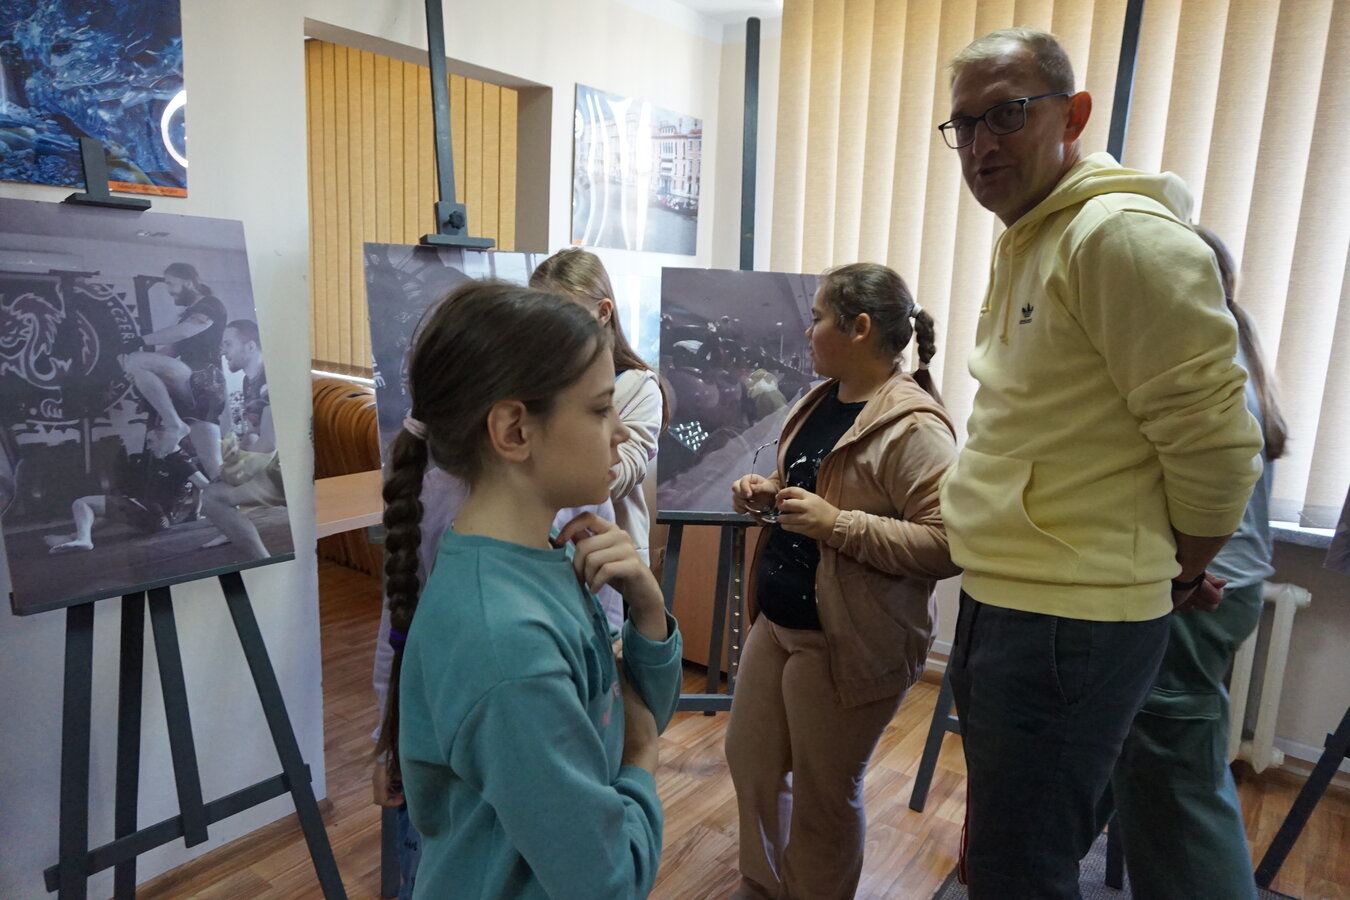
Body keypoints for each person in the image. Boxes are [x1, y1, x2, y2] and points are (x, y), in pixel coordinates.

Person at [936, 27, 1264, 897]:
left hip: (1064, 622)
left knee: (1020, 868)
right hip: (1015, 598)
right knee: (1009, 852)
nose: (981, 144)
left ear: (1073, 115)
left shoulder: (1117, 236)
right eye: (964, 125)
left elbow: (1219, 447)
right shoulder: (1031, 236)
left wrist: (1179, 568)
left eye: (1007, 114)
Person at [375, 280, 683, 899]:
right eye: (600, 409)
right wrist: (643, 754)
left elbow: (619, 708)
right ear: (515, 430)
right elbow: (610, 882)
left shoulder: (549, 553)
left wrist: (649, 610)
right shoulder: (505, 642)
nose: (621, 433)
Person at [725, 263, 960, 899]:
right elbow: (815, 482)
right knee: (751, 763)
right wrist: (770, 490)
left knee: (824, 798)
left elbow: (948, 545)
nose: (808, 332)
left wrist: (836, 525)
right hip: (779, 623)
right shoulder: (820, 399)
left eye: (818, 318)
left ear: (858, 328)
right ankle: (763, 888)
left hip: (847, 640)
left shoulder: (915, 427)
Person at [1110, 225, 1287, 899]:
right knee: (1153, 768)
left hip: (1200, 590)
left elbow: (1206, 486)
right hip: (1216, 585)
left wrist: (1182, 573)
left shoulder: (1197, 363)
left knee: (1178, 790)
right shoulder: (1227, 350)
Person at [529, 248, 667, 580]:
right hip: (543, 552)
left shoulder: (639, 386)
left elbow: (624, 471)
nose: (549, 331)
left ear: (603, 312)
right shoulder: (536, 379)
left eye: (563, 315)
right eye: (538, 316)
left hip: (611, 560)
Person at [119, 262, 227, 478]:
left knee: (213, 463)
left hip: (204, 379)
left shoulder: (210, 305)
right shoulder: (188, 313)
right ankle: (218, 498)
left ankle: (174, 423)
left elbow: (185, 331)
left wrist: (139, 342)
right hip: (192, 384)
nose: (168, 290)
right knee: (212, 464)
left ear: (188, 282)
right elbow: (171, 350)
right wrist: (137, 369)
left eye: (170, 283)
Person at [197, 319, 286, 559]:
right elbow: (253, 433)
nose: (222, 351)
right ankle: (233, 530)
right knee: (217, 486)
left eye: (228, 344)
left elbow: (270, 443)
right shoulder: (250, 381)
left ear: (250, 346)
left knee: (213, 497)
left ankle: (262, 561)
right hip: (278, 467)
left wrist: (234, 471)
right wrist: (232, 463)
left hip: (294, 471)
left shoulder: (272, 377)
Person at [45, 427, 208, 553]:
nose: (148, 447)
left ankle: (84, 540)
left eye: (151, 441)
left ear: (165, 440)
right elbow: (196, 488)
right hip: (154, 515)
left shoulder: (182, 461)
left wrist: (205, 513)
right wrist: (194, 513)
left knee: (81, 503)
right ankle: (73, 537)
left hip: (155, 515)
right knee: (112, 512)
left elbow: (204, 485)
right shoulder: (165, 458)